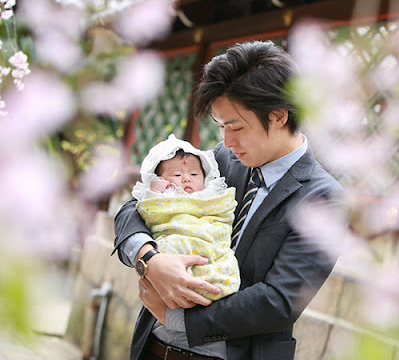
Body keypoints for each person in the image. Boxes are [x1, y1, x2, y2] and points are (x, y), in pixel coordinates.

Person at [113, 40, 343, 360]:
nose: (226, 140)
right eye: (220, 126)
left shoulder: (323, 198)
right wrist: (149, 259)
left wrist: (178, 319)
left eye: (235, 127)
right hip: (151, 346)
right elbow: (136, 206)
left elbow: (279, 302)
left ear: (278, 116)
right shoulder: (224, 159)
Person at [132, 134, 239, 304]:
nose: (187, 178)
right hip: (177, 236)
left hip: (209, 240)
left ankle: (211, 282)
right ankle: (184, 280)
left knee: (225, 260)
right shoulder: (164, 197)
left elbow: (225, 210)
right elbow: (147, 211)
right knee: (167, 247)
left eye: (194, 174)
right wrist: (153, 193)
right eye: (176, 175)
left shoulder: (212, 195)